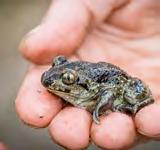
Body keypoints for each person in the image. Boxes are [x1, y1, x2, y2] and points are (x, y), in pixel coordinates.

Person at [16, 0, 160, 149]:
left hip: (121, 83)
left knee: (134, 97)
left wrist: (99, 108)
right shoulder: (77, 84)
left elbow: (109, 91)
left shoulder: (95, 88)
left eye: (68, 79)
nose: (51, 76)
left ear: (83, 83)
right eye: (56, 63)